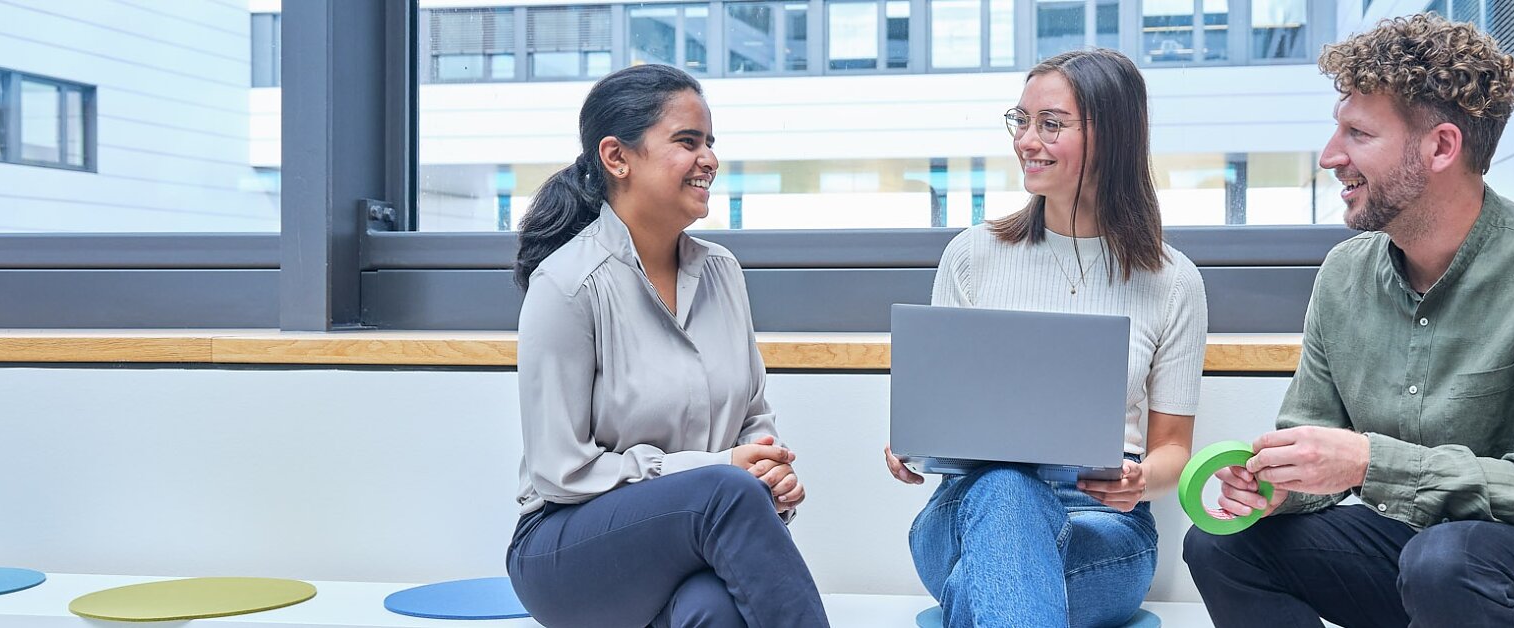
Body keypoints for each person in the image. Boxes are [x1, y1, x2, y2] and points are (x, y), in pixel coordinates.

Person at [1181, 14, 1514, 628]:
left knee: (1448, 561)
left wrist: (1366, 463)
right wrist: (1281, 488)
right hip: (1423, 555)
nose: (1331, 156)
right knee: (1223, 544)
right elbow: (1318, 452)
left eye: (1358, 134)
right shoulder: (1344, 275)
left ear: (1441, 146)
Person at [881, 48, 1210, 628]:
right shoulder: (972, 256)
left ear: (1112, 137)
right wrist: (912, 442)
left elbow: (1173, 450)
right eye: (1022, 120)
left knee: (987, 582)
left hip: (1103, 528)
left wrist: (1139, 480)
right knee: (1007, 488)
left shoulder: (1172, 280)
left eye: (1051, 124)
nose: (1026, 141)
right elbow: (940, 415)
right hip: (965, 511)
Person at [506, 64, 829, 628]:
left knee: (712, 612)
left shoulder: (722, 273)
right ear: (617, 157)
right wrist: (724, 471)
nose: (709, 159)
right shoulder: (567, 284)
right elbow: (561, 471)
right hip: (564, 552)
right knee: (724, 494)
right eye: (687, 142)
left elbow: (752, 415)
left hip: (688, 543)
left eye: (710, 143)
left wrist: (765, 470)